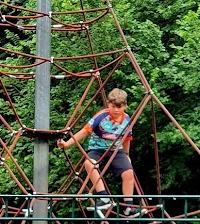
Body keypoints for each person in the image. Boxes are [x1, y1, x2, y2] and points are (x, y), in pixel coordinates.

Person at [57, 88, 140, 217]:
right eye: (113, 107)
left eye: (119, 107)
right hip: (97, 148)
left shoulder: (127, 120)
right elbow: (85, 131)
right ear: (108, 104)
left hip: (116, 151)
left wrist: (127, 155)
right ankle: (103, 197)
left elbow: (127, 139)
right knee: (89, 164)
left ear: (125, 106)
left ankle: (128, 206)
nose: (116, 110)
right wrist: (67, 144)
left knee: (128, 172)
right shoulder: (101, 116)